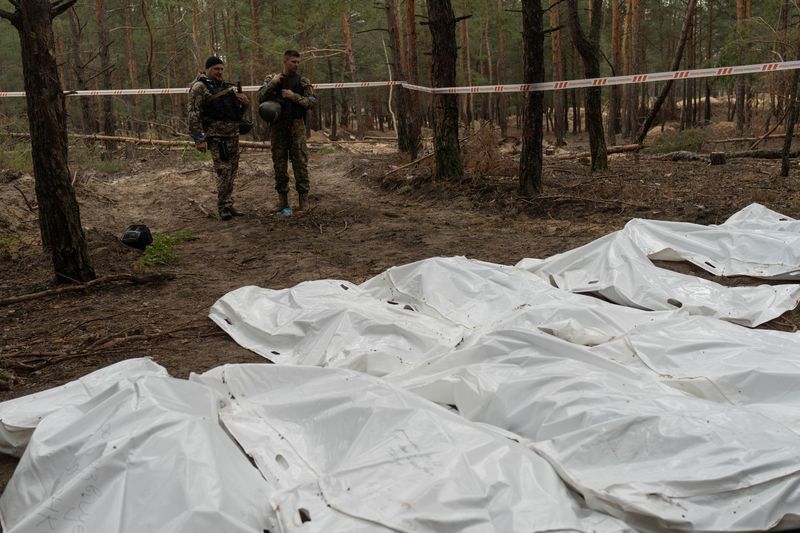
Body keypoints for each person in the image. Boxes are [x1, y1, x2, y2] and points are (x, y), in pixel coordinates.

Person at [188, 56, 250, 221]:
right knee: (223, 170)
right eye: (216, 69)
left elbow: (235, 113)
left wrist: (245, 104)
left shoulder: (225, 87)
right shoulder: (200, 87)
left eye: (222, 69)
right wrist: (198, 139)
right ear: (207, 69)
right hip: (217, 137)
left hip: (232, 135)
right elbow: (193, 114)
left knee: (233, 171)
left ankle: (228, 203)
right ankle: (223, 207)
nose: (220, 72)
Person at [258, 50, 317, 212]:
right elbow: (260, 97)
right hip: (278, 127)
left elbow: (312, 102)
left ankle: (303, 200)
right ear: (285, 61)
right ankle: (282, 201)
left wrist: (294, 96)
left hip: (297, 126)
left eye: (298, 62)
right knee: (279, 163)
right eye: (293, 62)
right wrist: (273, 83)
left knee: (300, 163)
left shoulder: (303, 81)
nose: (296, 65)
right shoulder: (272, 79)